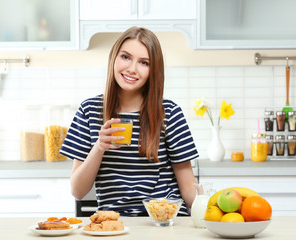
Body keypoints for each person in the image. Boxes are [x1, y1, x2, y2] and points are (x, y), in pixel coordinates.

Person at [60, 26, 199, 216]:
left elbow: (189, 190)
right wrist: (99, 147)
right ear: (114, 58)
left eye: (144, 62)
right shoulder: (89, 111)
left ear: (153, 70)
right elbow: (77, 191)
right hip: (115, 222)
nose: (132, 69)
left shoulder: (169, 113)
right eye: (125, 57)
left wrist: (212, 208)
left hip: (164, 221)